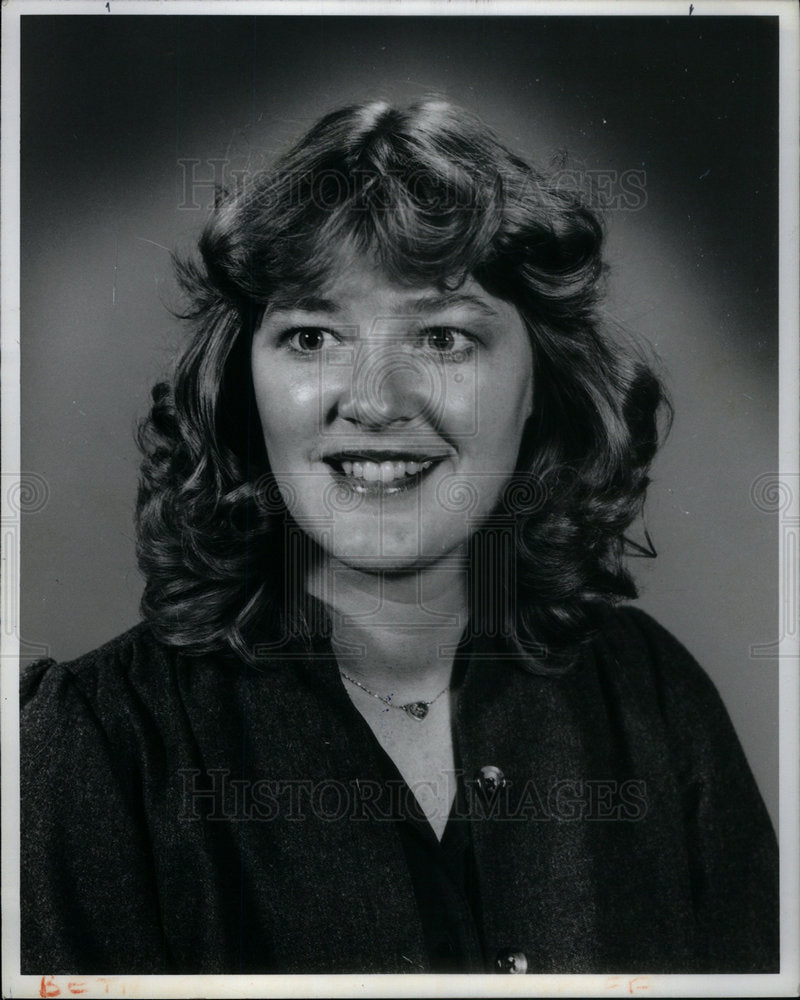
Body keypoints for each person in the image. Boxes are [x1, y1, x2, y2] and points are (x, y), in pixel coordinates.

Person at [21, 99, 778, 975]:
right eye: (312, 336)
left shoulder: (650, 698)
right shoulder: (96, 751)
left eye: (444, 336)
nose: (375, 401)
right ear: (243, 382)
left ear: (541, 384)